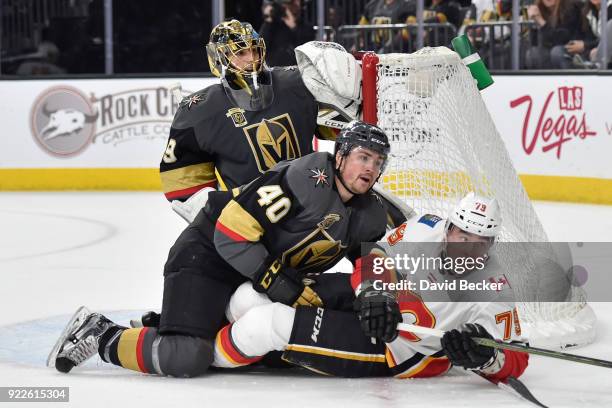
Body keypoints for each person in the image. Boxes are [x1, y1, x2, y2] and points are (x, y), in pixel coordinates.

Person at [48, 120, 391, 378]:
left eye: (377, 162)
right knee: (185, 357)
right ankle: (102, 333)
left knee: (258, 346)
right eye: (363, 157)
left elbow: (370, 257)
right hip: (209, 253)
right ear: (341, 155)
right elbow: (231, 233)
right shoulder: (306, 178)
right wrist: (274, 279)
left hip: (257, 270)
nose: (369, 168)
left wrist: (377, 293)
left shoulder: (372, 210)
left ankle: (172, 320)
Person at [209, 192, 528, 381]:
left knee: (265, 325)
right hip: (377, 301)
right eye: (463, 235)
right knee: (248, 297)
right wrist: (373, 293)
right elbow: (377, 255)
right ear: (447, 229)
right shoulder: (424, 228)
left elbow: (517, 355)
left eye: (480, 242)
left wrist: (484, 356)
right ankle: (190, 330)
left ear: (491, 245)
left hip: (397, 350)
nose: (468, 247)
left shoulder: (495, 287)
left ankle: (200, 356)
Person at [161, 20, 337, 223]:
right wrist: (218, 209)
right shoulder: (200, 111)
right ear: (218, 57)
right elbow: (183, 184)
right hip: (250, 219)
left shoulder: (297, 83)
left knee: (367, 230)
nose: (252, 59)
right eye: (241, 53)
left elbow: (337, 128)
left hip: (311, 205)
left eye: (255, 50)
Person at [525, 0, 593, 69]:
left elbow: (563, 40)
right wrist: (533, 24)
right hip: (554, 52)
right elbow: (535, 43)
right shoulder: (540, 10)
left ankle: (569, 79)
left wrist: (541, 22)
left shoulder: (571, 7)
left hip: (578, 51)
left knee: (557, 52)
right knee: (533, 54)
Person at [259, 0, 315, 66]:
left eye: (292, 3)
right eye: (285, 4)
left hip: (296, 72)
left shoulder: (306, 28)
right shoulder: (272, 26)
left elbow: (304, 51)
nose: (287, 8)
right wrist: (268, 20)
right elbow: (260, 48)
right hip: (274, 72)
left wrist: (293, 27)